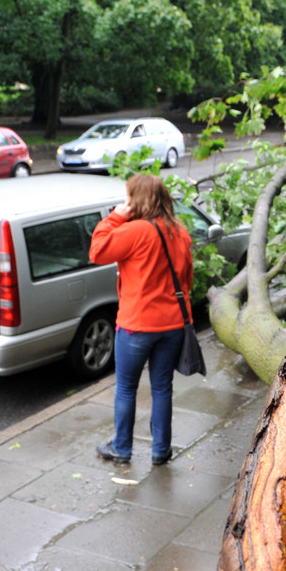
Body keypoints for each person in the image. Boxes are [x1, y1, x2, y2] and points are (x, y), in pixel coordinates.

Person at [88, 174, 193, 465]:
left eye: (128, 198)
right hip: (172, 325)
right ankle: (161, 450)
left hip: (136, 326)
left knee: (126, 388)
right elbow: (187, 280)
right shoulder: (180, 232)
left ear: (138, 200)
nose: (126, 202)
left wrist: (115, 217)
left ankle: (122, 448)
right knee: (162, 387)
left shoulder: (134, 231)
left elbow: (96, 251)